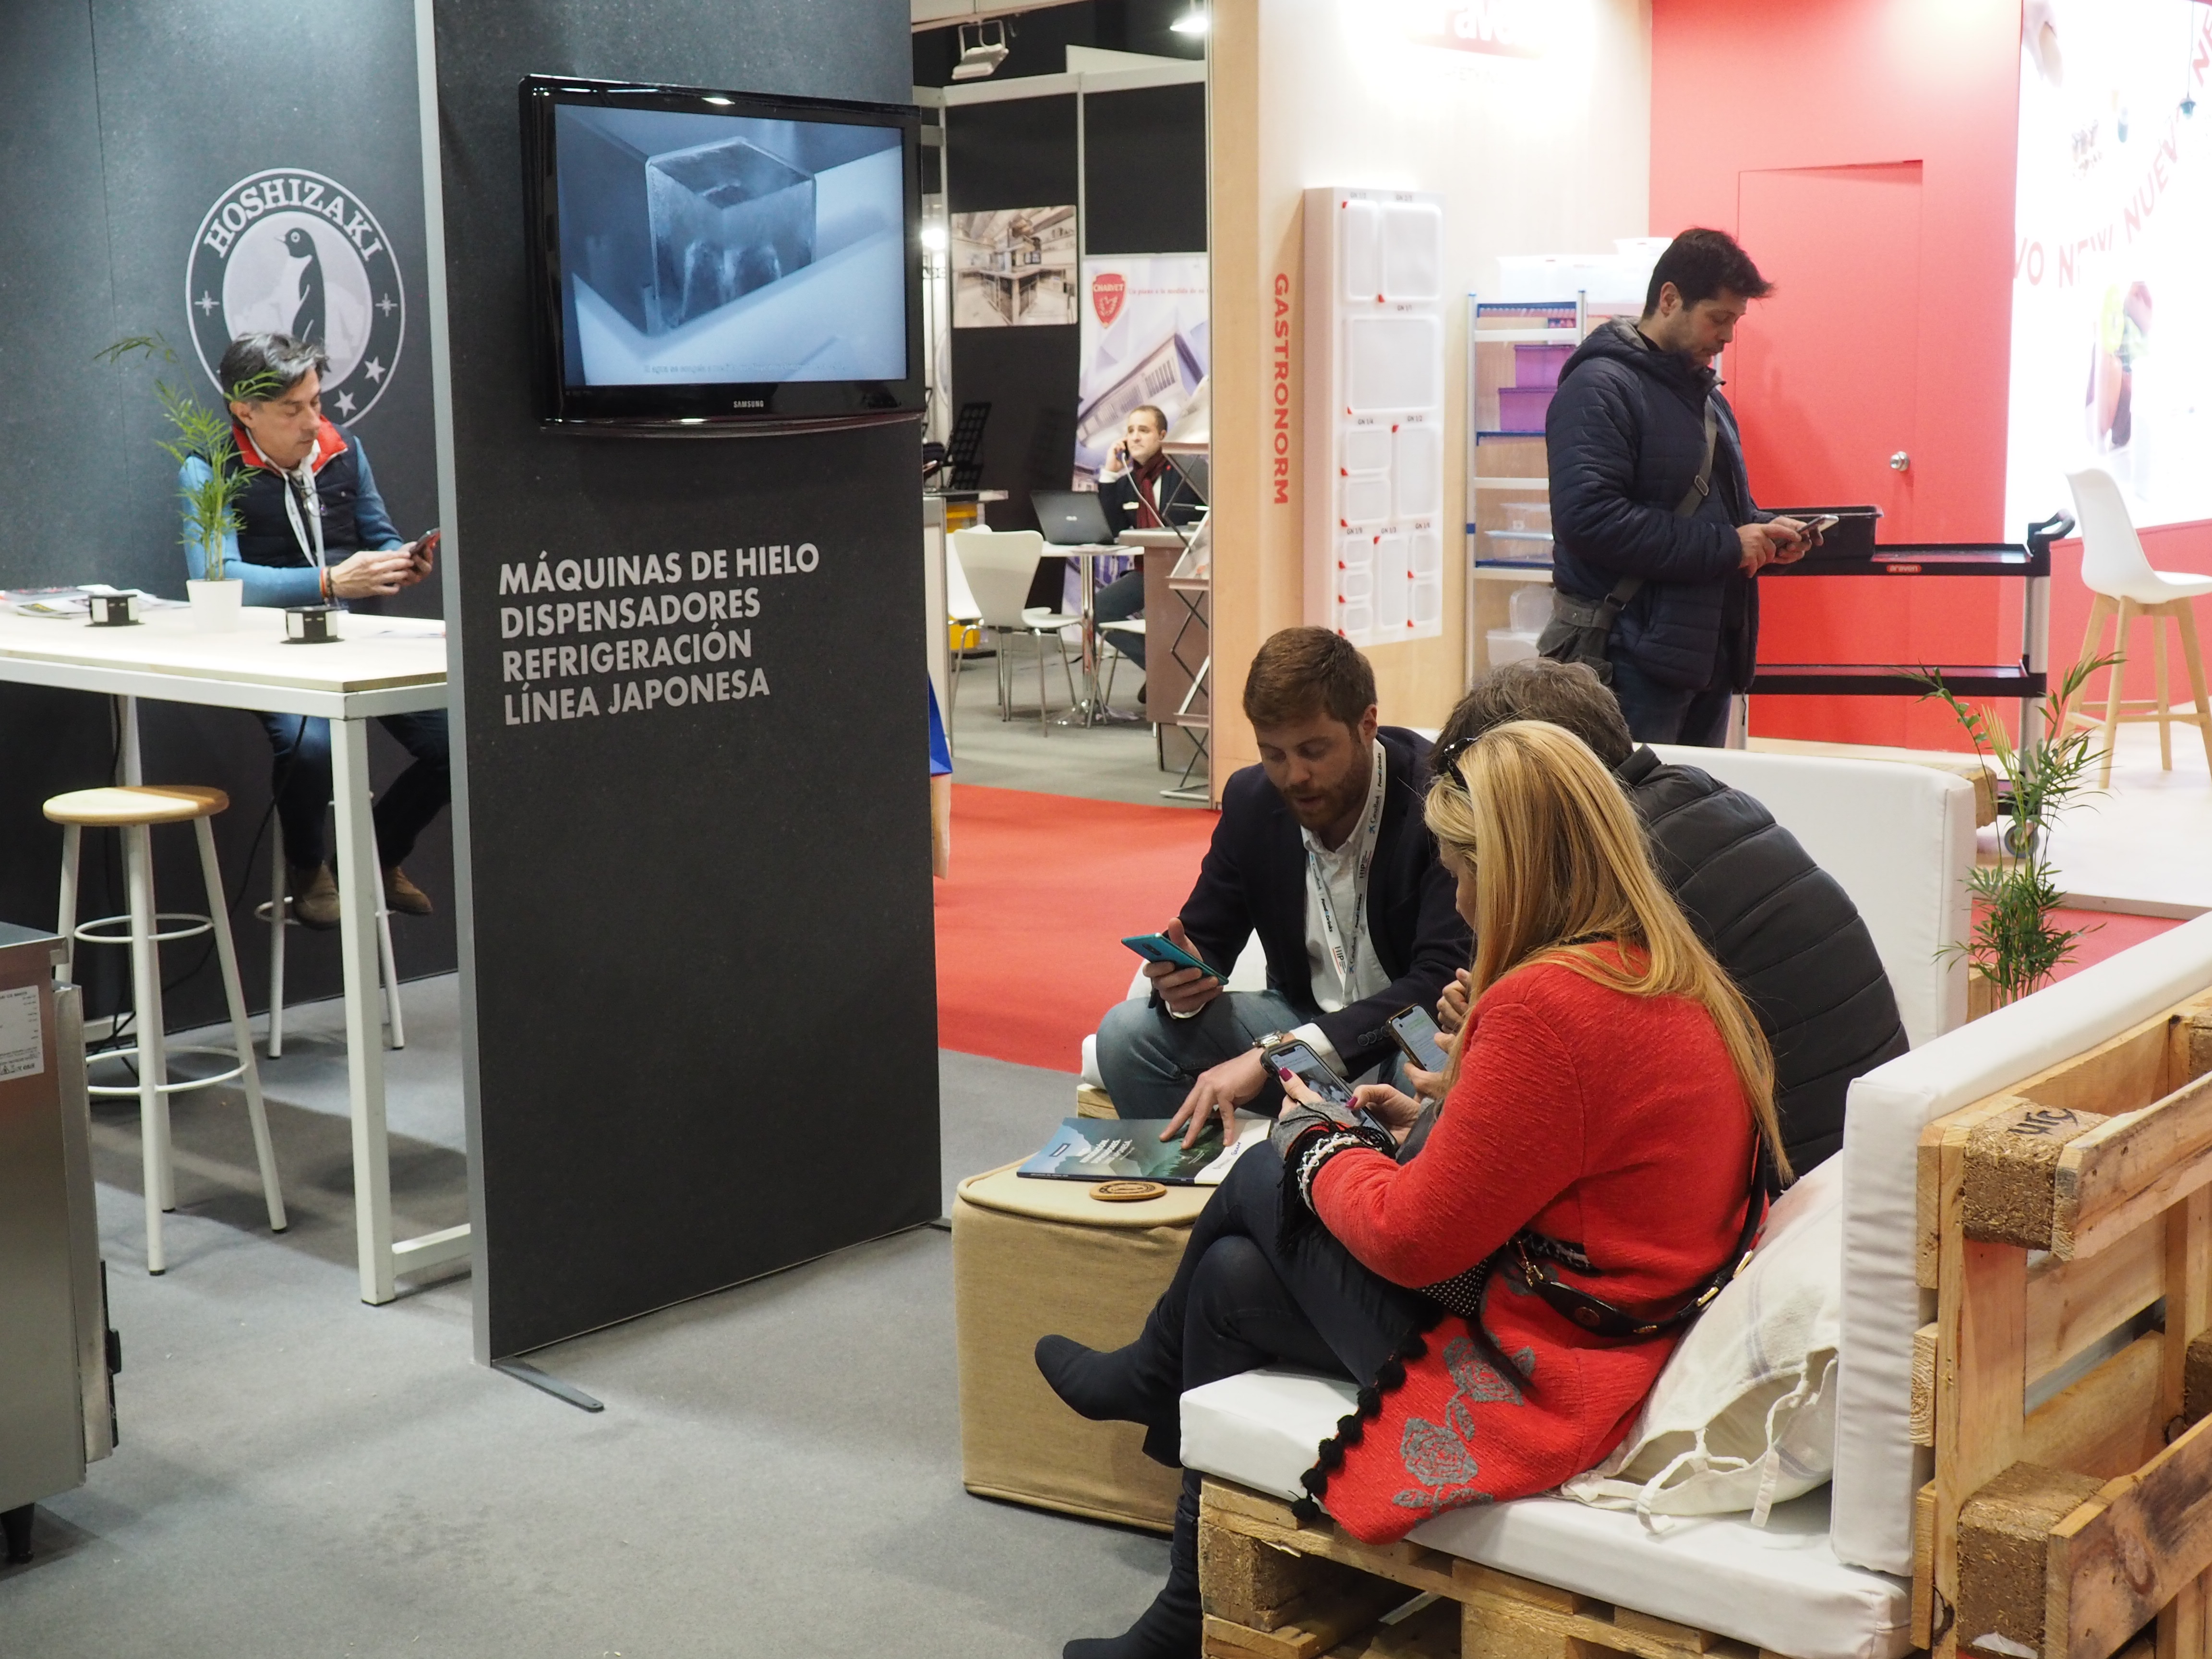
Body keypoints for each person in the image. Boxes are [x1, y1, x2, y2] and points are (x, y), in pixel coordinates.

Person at [1038, 719, 1786, 1659]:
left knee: (1271, 1165)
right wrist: (1420, 1127)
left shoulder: (1546, 1003)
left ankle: (1150, 1382)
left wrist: (1322, 1142)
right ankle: (1185, 1608)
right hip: (1616, 1322)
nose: (1460, 899)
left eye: (1465, 872)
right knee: (1230, 1279)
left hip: (1553, 1363)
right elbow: (1557, 1165)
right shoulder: (1657, 967)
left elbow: (1412, 1239)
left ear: (1516, 870)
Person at [1426, 658, 1908, 1172]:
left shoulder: (1616, 877)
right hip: (1863, 1152)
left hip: (1779, 1181)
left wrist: (1480, 1049)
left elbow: (1549, 1099)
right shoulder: (1702, 796)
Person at [1094, 627, 1467, 1143]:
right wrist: (1185, 981)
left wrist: (1279, 1051)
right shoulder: (1253, 799)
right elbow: (1207, 938)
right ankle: (1215, 1187)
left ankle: (1365, 1189)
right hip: (1298, 1023)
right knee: (1126, 1036)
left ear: (1367, 724)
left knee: (1436, 1080)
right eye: (1274, 754)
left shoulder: (1437, 800)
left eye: (1313, 751)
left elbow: (1437, 982)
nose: (1294, 776)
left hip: (1404, 1036)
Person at [181, 332, 448, 928]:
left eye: (317, 402)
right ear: (244, 410)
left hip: (359, 645)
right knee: (310, 747)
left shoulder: (343, 450)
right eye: (292, 410)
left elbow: (378, 533)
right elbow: (217, 576)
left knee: (455, 745)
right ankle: (308, 869)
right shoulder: (209, 468)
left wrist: (400, 559)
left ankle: (371, 858)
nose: (312, 422)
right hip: (274, 652)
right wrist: (328, 581)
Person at [1541, 228, 1821, 746]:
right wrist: (1729, 544)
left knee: (1690, 801)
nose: (1728, 336)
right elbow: (1590, 519)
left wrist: (1765, 532)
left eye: (1735, 321)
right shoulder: (1597, 388)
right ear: (1669, 299)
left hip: (1700, 660)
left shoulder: (1708, 399)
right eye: (1718, 318)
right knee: (1630, 802)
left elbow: (1719, 514)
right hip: (1624, 663)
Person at [1091, 405, 1203, 682]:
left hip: (1190, 571)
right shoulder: (1129, 483)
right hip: (1149, 572)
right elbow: (1110, 530)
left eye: (1144, 430)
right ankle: (1162, 673)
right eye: (1130, 431)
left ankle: (1170, 677)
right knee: (1099, 610)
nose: (1135, 437)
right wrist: (1109, 474)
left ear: (1163, 436)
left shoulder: (1186, 471)